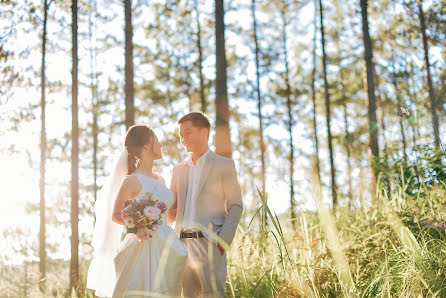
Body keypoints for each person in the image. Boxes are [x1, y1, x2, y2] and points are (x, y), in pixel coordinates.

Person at [87, 124, 187, 298]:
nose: (161, 145)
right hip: (142, 246)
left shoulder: (161, 179)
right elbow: (116, 215)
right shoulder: (132, 181)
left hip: (167, 243)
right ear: (147, 146)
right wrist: (140, 223)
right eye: (157, 140)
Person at [167, 112, 243, 298]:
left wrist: (222, 240)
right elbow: (171, 209)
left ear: (205, 132)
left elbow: (236, 205)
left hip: (210, 244)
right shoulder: (178, 170)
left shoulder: (224, 165)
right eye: (181, 135)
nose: (183, 139)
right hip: (182, 245)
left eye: (188, 133)